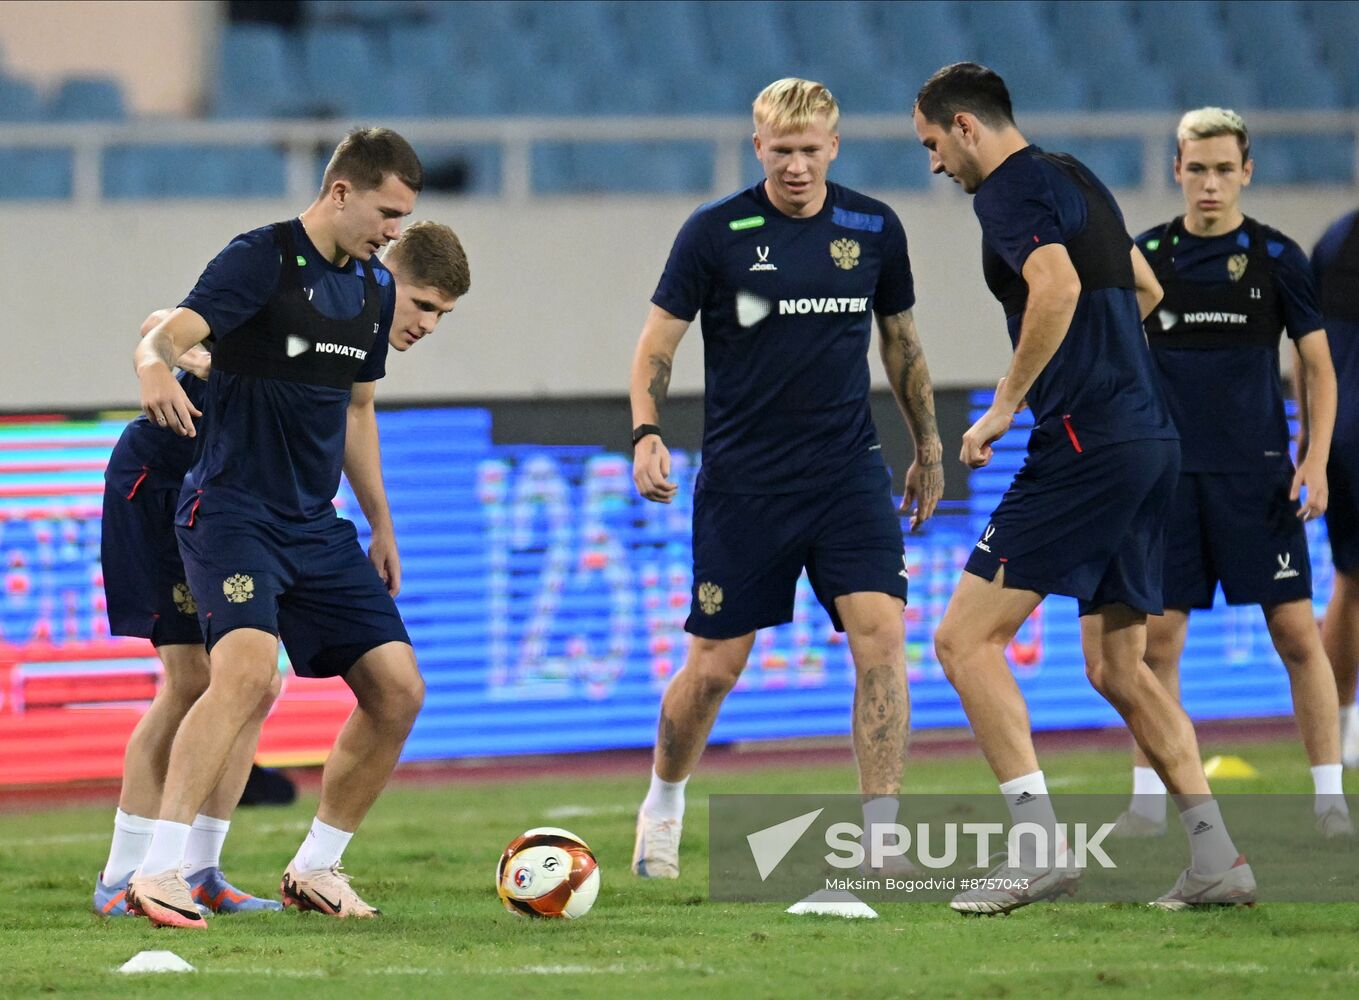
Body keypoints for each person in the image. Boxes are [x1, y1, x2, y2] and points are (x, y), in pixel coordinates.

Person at [912, 63, 1253, 913]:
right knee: (1118, 668)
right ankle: (1217, 861)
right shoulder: (1074, 176)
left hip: (1082, 443)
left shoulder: (1006, 192)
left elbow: (1055, 287)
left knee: (962, 640)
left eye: (930, 146)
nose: (933, 167)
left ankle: (1035, 848)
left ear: (963, 126)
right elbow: (1146, 288)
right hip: (1148, 438)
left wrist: (1003, 408)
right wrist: (1106, 369)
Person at [94, 221, 471, 919]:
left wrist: (380, 522)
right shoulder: (297, 286)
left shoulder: (354, 324)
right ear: (387, 272)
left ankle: (202, 869)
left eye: (441, 314)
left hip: (262, 507)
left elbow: (357, 413)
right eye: (423, 305)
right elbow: (162, 325)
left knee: (258, 683)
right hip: (170, 481)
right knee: (198, 681)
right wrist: (180, 360)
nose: (427, 324)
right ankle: (126, 874)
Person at [629, 78, 943, 880]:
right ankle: (662, 804)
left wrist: (928, 447)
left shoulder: (874, 226)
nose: (796, 166)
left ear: (833, 147)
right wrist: (645, 432)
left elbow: (901, 345)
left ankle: (882, 837)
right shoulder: (715, 233)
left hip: (845, 477)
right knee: (712, 671)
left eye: (810, 150)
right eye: (781, 150)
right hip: (744, 487)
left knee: (880, 642)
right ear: (757, 145)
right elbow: (656, 345)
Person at [1109, 108, 1349, 840]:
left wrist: (1312, 458)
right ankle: (1152, 805)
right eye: (1196, 168)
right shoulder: (1143, 255)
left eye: (1222, 168)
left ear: (1244, 171)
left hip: (1257, 478)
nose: (1208, 183)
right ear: (1177, 168)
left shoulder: (1277, 256)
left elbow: (1316, 365)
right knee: (1158, 643)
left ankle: (1328, 799)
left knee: (1295, 635)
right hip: (1169, 479)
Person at [1312, 206, 1359, 770]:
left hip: (1341, 437)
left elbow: (1310, 349)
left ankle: (1341, 736)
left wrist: (1312, 441)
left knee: (1349, 582)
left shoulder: (1337, 238)